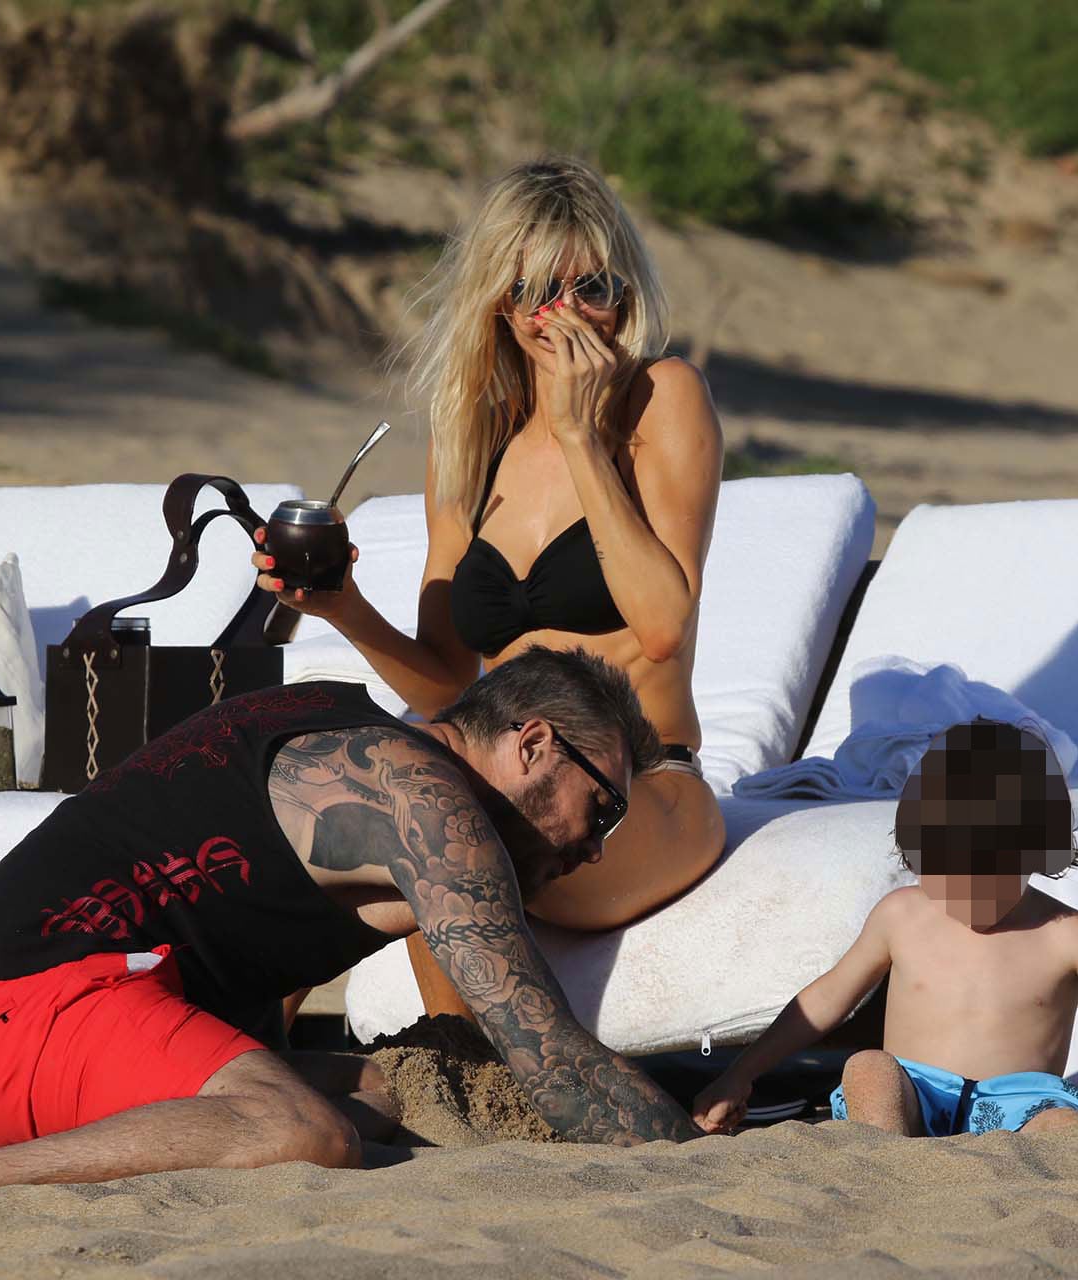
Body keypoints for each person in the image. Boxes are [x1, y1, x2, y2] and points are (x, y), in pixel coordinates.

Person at [0, 647, 701, 1197]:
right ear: (535, 743)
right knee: (302, 1132)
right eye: (604, 806)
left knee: (389, 1090)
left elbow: (247, 935)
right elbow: (544, 1049)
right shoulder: (425, 802)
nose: (596, 845)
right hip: (25, 1021)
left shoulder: (348, 732)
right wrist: (697, 1155)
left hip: (25, 1040)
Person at [255, 156, 725, 988]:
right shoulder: (472, 437)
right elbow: (445, 683)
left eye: (599, 288)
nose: (576, 316)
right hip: (499, 768)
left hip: (634, 782)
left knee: (441, 815)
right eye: (547, 290)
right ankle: (259, 1061)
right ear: (504, 305)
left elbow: (661, 627)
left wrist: (583, 439)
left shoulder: (661, 398)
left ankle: (466, 1072)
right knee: (316, 814)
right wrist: (342, 608)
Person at [691, 720, 1078, 1137]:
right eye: (946, 876)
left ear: (1035, 852)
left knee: (1060, 1125)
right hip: (914, 1096)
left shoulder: (1066, 934)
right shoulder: (901, 915)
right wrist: (741, 1072)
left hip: (1021, 1109)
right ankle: (876, 1158)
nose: (968, 896)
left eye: (990, 878)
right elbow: (823, 1002)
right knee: (869, 1068)